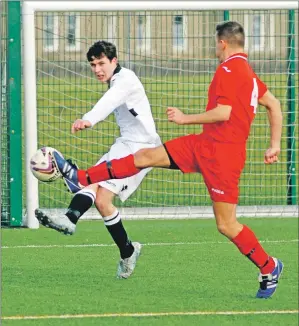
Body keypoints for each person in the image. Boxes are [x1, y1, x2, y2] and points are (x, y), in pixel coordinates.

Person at [53, 21, 283, 299]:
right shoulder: (249, 73)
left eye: (215, 43)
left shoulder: (230, 68)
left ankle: (269, 267)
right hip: (203, 144)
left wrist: (186, 118)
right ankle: (80, 177)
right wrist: (274, 144)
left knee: (226, 225)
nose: (214, 48)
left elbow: (224, 113)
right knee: (143, 156)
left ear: (222, 43)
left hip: (224, 157)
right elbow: (274, 104)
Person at [35, 40, 162, 279]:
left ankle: (70, 217)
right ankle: (128, 251)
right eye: (93, 64)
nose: (97, 69)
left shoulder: (125, 80)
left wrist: (88, 119)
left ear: (114, 61)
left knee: (94, 180)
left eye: (102, 63)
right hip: (126, 144)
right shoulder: (117, 78)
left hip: (142, 150)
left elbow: (110, 101)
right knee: (103, 201)